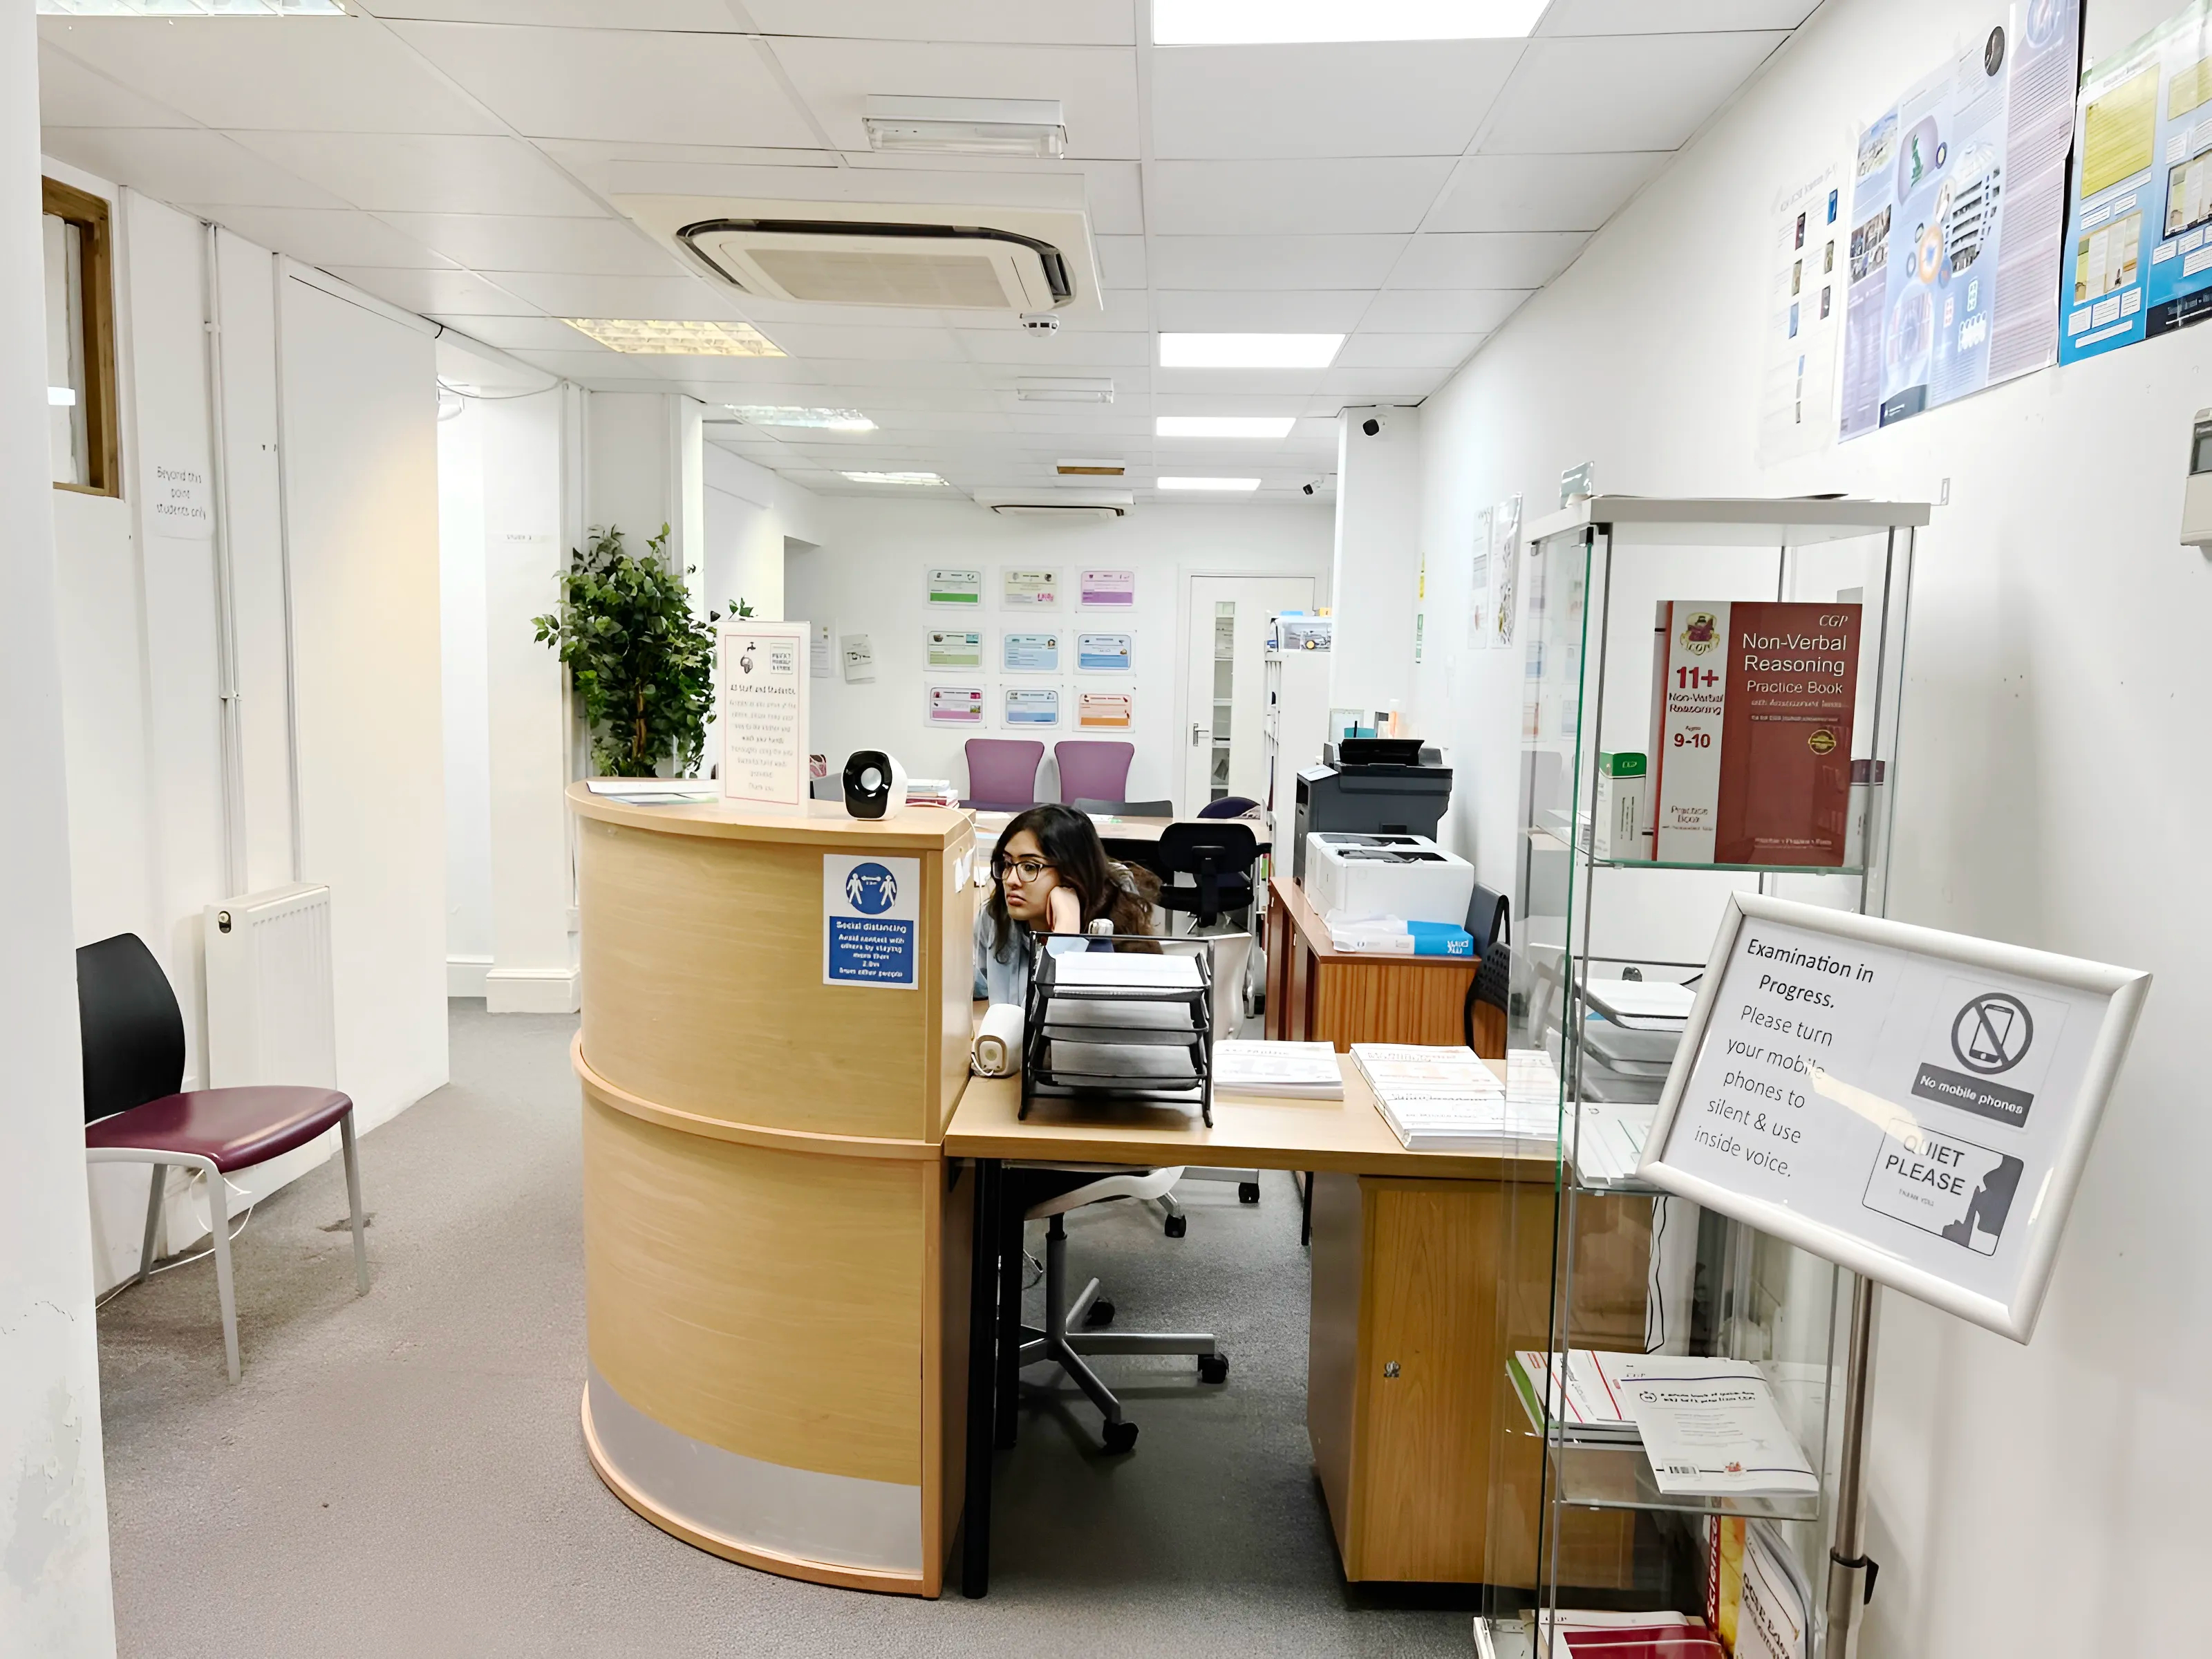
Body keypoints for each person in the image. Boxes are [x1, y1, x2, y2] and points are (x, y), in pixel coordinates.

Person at [973, 803, 1159, 1006]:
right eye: (1008, 864)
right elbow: (977, 987)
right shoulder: (995, 917)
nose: (1011, 880)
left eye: (1029, 867)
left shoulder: (1109, 939)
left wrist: (1065, 934)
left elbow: (1042, 1025)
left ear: (1071, 874)